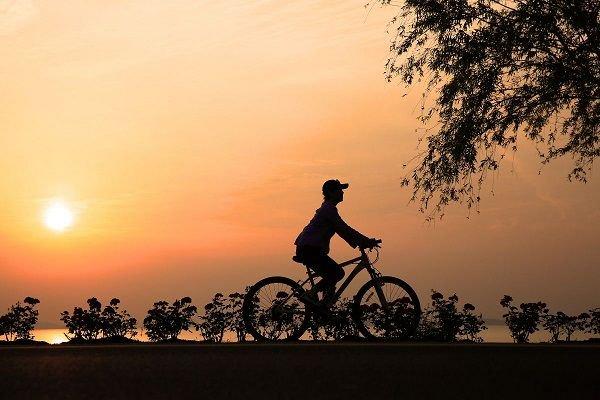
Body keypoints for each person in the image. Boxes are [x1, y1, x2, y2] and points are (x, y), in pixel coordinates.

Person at [294, 179, 380, 304]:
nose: (342, 193)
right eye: (339, 190)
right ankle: (311, 294)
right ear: (331, 192)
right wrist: (365, 241)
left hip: (309, 248)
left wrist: (361, 242)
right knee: (337, 273)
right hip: (309, 249)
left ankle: (323, 306)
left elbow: (342, 231)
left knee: (332, 276)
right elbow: (344, 228)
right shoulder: (328, 210)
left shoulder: (329, 209)